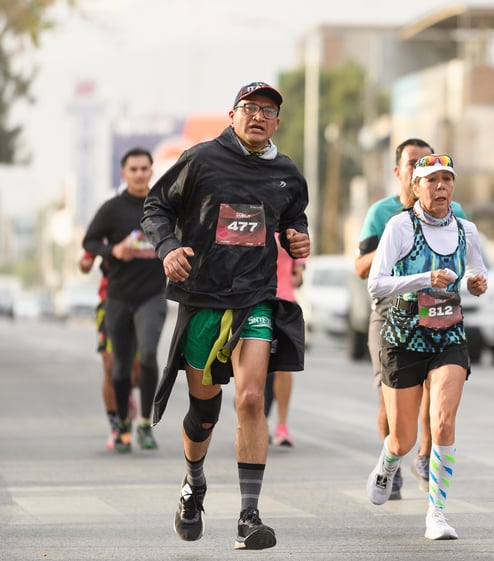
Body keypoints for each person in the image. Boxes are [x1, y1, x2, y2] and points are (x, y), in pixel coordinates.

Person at [141, 81, 310, 551]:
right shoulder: (201, 159)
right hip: (204, 297)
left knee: (252, 398)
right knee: (204, 411)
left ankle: (249, 516)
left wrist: (299, 236)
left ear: (277, 122)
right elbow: (155, 206)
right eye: (250, 108)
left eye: (268, 111)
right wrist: (169, 247)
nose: (259, 116)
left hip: (255, 296)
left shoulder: (287, 172)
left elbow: (295, 215)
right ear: (232, 115)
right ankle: (193, 482)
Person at [365, 154, 487, 540]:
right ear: (415, 187)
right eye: (431, 181)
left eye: (447, 180)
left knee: (443, 420)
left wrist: (477, 282)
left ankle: (436, 513)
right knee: (403, 438)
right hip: (403, 336)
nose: (440, 188)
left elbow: (477, 270)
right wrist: (423, 279)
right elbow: (376, 283)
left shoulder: (467, 230)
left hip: (448, 334)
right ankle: (387, 463)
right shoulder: (400, 226)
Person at [355, 138, 468, 498]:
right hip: (392, 313)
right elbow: (362, 270)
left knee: (438, 398)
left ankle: (425, 458)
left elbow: (464, 259)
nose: (433, 178)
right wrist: (401, 244)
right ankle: (394, 456)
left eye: (440, 174)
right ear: (401, 172)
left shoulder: (457, 213)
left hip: (440, 313)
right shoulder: (383, 214)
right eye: (416, 164)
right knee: (392, 404)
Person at [82, 148, 168, 453]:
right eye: (134, 169)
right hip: (118, 297)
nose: (140, 174)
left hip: (152, 296)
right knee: (119, 368)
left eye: (145, 168)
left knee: (146, 356)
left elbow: (183, 235)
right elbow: (89, 242)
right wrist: (113, 251)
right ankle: (122, 425)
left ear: (151, 171)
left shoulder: (162, 205)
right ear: (124, 174)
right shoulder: (112, 209)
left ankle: (145, 423)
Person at [78, 251, 140, 450]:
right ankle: (116, 427)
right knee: (110, 365)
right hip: (110, 302)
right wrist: (86, 262)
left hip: (142, 301)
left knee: (137, 371)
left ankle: (126, 394)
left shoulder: (149, 222)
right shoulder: (107, 222)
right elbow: (84, 263)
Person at [263, 236, 306, 447]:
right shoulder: (252, 218)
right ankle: (257, 419)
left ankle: (282, 426)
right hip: (256, 300)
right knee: (258, 366)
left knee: (283, 367)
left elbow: (298, 276)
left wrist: (297, 268)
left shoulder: (291, 226)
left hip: (285, 303)